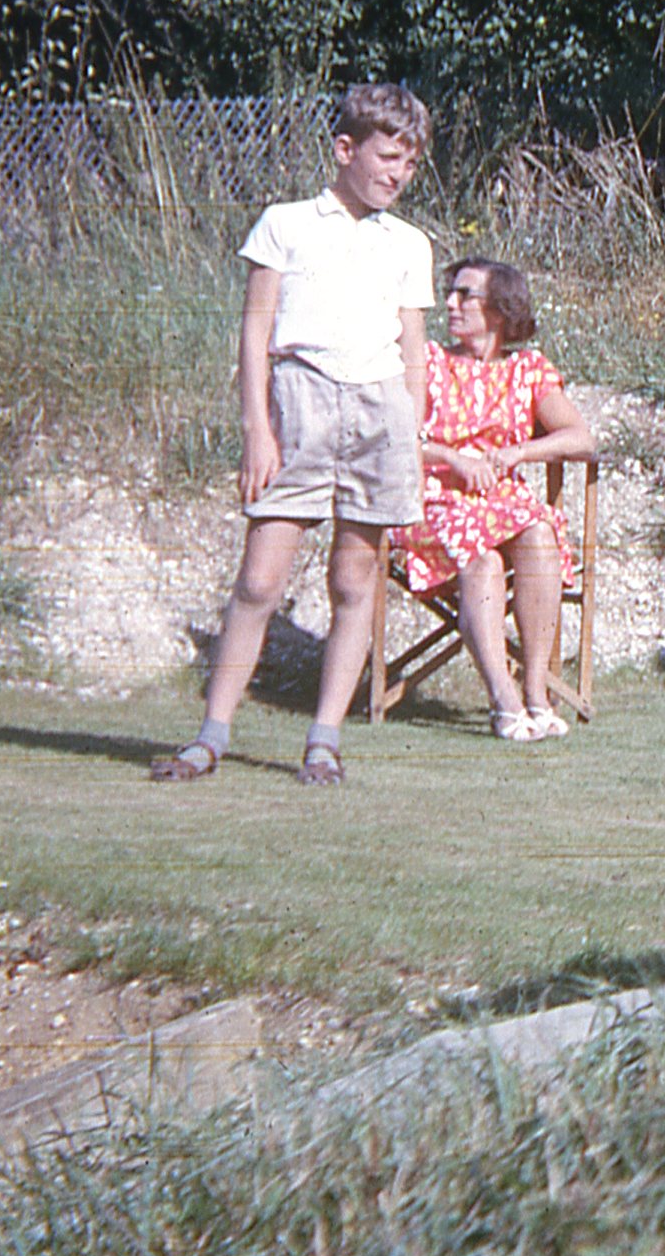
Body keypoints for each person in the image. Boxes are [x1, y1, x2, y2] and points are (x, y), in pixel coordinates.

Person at [151, 84, 434, 786]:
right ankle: (211, 735)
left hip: (380, 413)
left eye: (410, 163)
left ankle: (324, 739)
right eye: (387, 157)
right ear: (345, 149)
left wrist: (414, 437)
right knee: (260, 579)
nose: (397, 174)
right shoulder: (285, 223)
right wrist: (258, 428)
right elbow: (255, 331)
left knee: (352, 578)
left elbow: (416, 351)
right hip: (300, 404)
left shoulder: (408, 242)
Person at [392, 258, 594, 742]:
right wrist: (453, 458)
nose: (451, 304)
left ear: (500, 310)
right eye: (451, 293)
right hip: (435, 502)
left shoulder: (527, 370)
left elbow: (582, 438)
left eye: (466, 295)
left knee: (541, 532)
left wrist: (519, 452)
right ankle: (504, 700)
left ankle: (537, 694)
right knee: (479, 564)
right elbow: (395, 438)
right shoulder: (432, 365)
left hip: (499, 505)